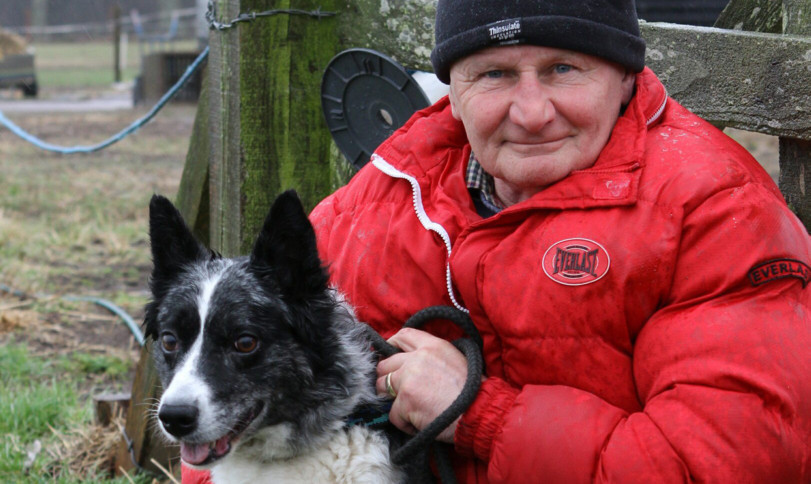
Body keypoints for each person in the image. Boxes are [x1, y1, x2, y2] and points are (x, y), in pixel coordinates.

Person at [183, 0, 811, 482]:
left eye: (564, 68)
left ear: (624, 77)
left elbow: (727, 465)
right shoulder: (382, 198)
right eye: (495, 74)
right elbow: (226, 399)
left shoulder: (717, 213)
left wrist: (479, 413)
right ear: (451, 89)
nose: (532, 110)